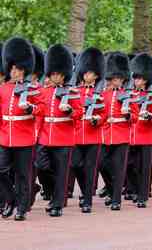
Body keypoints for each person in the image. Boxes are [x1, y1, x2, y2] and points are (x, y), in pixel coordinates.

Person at [38, 44, 83, 217]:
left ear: (64, 75)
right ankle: (51, 193)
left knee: (62, 171)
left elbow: (79, 113)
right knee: (41, 167)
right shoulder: (44, 91)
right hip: (46, 135)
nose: (56, 76)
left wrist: (70, 111)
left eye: (59, 74)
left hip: (63, 136)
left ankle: (57, 204)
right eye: (53, 73)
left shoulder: (71, 92)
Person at [0, 37, 41, 221]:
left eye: (18, 68)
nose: (14, 71)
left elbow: (42, 109)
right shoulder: (3, 88)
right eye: (13, 68)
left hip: (24, 136)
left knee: (23, 174)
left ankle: (22, 208)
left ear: (25, 70)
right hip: (5, 136)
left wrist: (31, 109)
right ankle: (11, 198)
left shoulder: (32, 89)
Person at [102, 52, 138, 211]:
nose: (116, 80)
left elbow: (135, 116)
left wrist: (128, 115)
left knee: (118, 167)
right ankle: (111, 191)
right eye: (114, 78)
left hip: (121, 133)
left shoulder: (128, 95)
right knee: (103, 165)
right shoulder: (103, 94)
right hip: (105, 133)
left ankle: (116, 199)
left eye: (119, 78)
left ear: (123, 78)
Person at [72, 47, 106, 213]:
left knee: (90, 167)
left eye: (91, 73)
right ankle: (85, 192)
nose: (87, 76)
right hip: (78, 134)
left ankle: (87, 200)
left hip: (93, 135)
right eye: (85, 73)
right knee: (76, 164)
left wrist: (97, 120)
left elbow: (104, 114)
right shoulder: (75, 91)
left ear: (97, 75)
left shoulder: (100, 93)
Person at [128, 53, 152, 208]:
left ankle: (142, 195)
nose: (137, 81)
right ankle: (134, 189)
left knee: (145, 167)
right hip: (132, 134)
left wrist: (150, 115)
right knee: (131, 165)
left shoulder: (151, 96)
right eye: (135, 78)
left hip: (145, 135)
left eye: (139, 78)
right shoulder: (130, 94)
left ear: (145, 80)